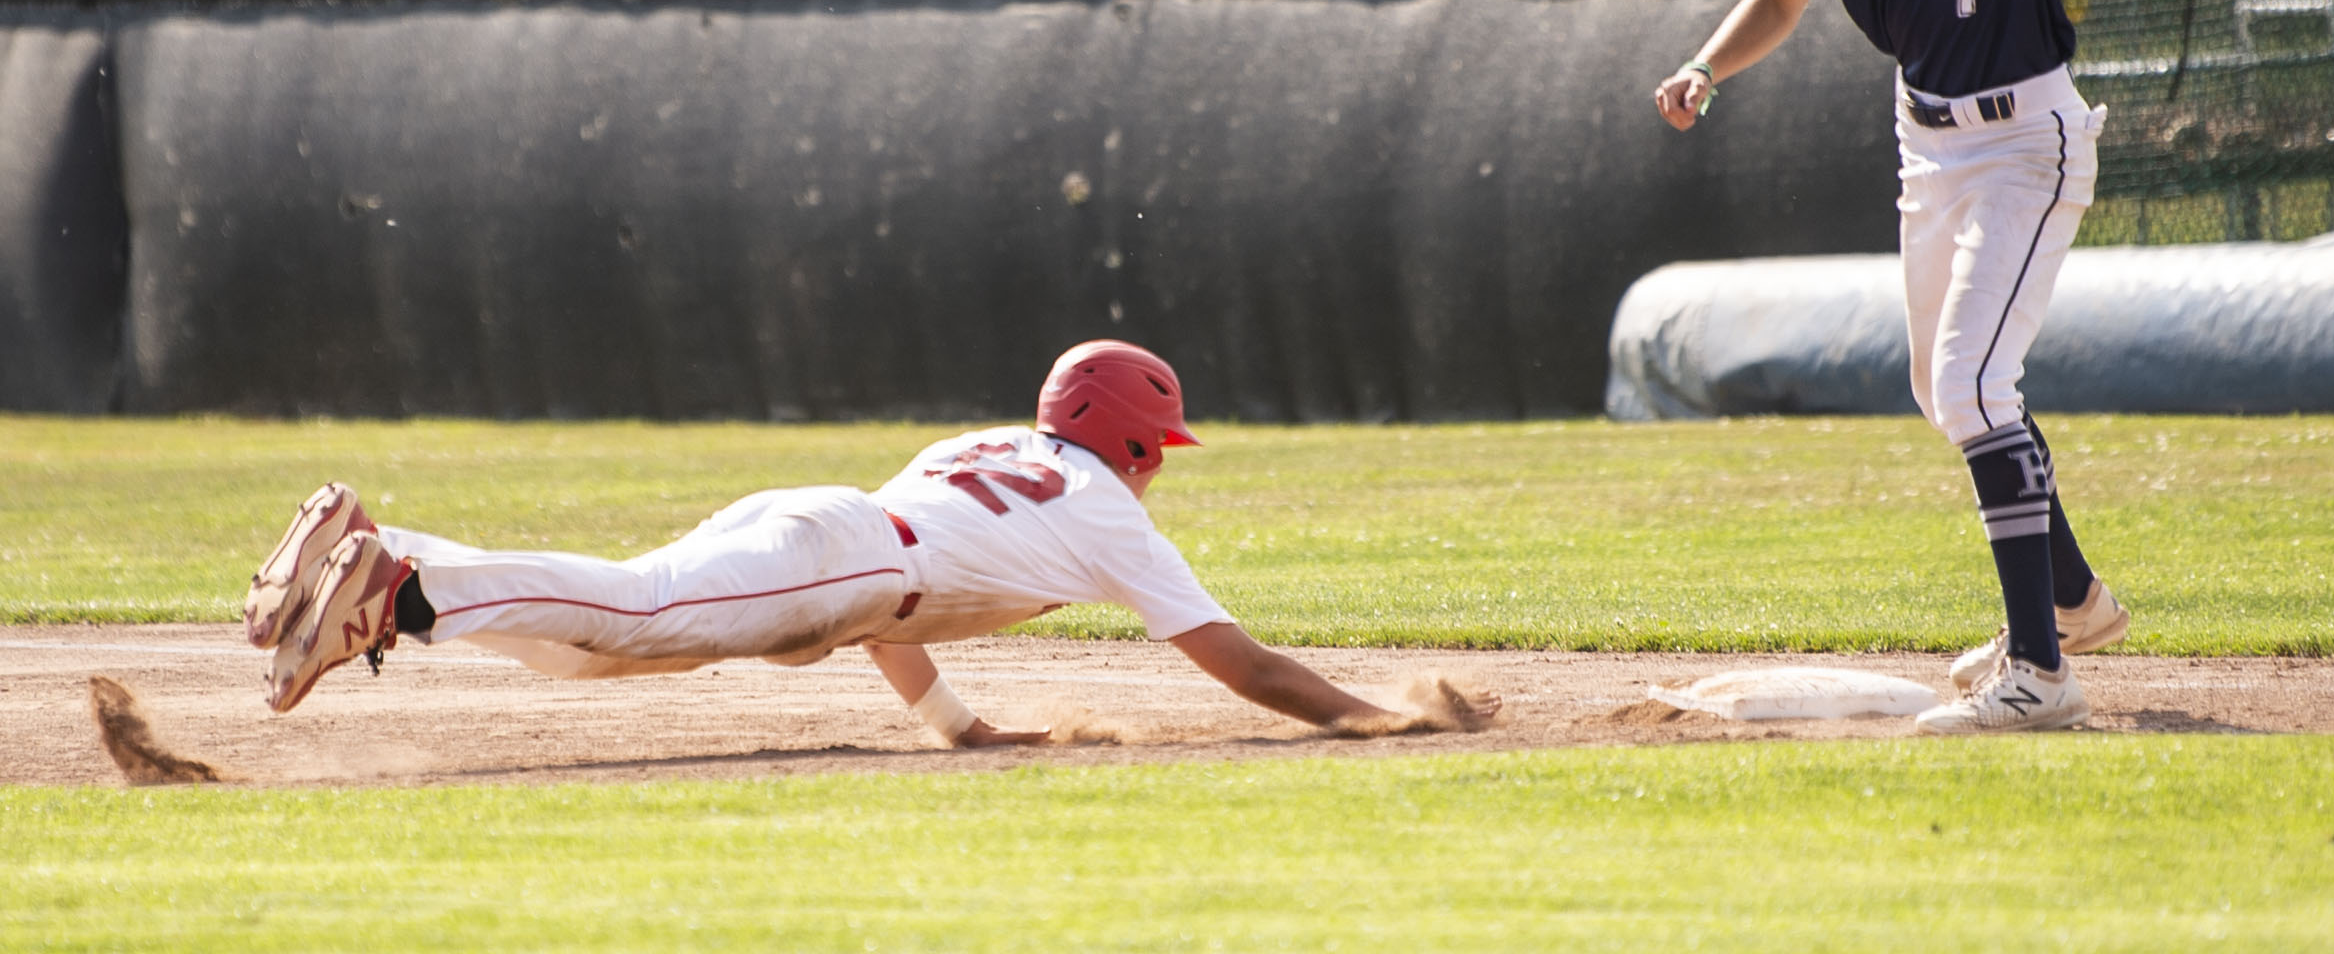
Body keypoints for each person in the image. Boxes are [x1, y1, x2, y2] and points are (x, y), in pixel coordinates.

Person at [1653, 0, 2136, 734]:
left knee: (1973, 383)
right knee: (1942, 388)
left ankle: (2041, 669)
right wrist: (1705, 67)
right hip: (1929, 142)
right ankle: (2071, 597)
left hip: (2026, 137)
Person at [244, 339, 1497, 742]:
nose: (1156, 466)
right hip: (845, 552)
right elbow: (1248, 666)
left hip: (829, 531)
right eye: (1157, 445)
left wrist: (959, 726)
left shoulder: (991, 444)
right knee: (642, 610)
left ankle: (387, 547)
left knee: (601, 647)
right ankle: (396, 587)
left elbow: (887, 602)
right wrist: (1382, 715)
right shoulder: (1107, 512)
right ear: (1131, 441)